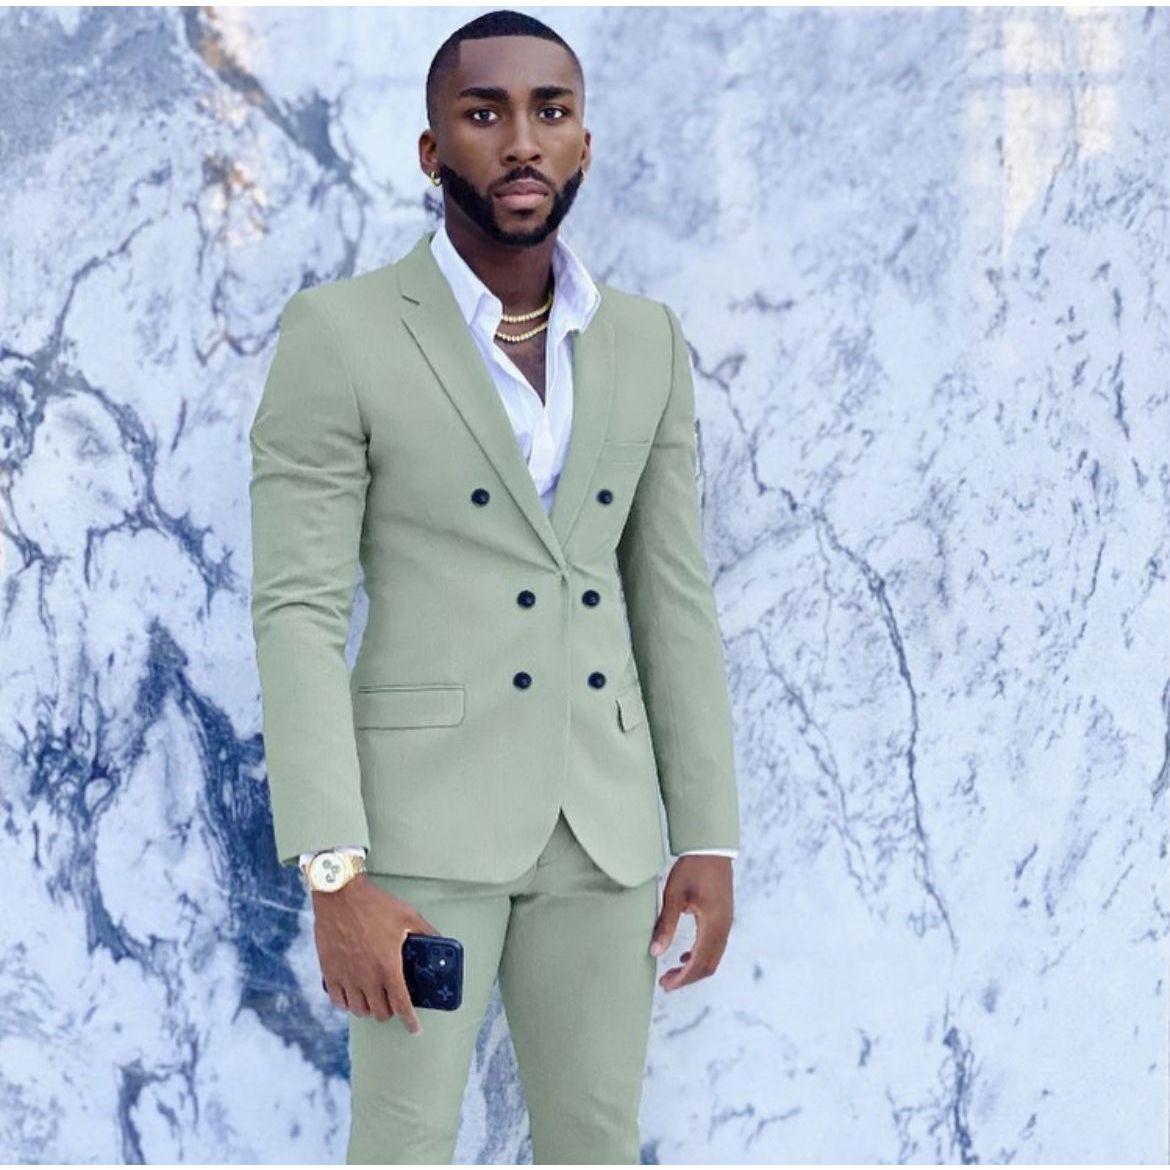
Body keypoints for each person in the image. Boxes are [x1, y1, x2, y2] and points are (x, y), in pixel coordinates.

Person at [247, 9, 740, 1164]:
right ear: (432, 150)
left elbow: (671, 594)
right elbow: (299, 611)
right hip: (417, 833)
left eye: (549, 112)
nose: (521, 140)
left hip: (603, 831)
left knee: (596, 1142)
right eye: (484, 113)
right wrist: (333, 869)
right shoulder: (340, 333)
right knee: (403, 1144)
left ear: (583, 142)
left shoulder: (646, 342)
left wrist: (708, 836)